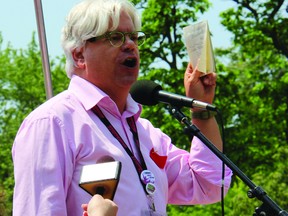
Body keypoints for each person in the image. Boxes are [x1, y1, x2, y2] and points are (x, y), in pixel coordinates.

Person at [12, 0, 233, 215]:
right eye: (115, 37)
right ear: (79, 55)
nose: (130, 45)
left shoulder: (145, 132)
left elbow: (210, 185)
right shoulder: (52, 123)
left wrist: (201, 114)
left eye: (134, 38)